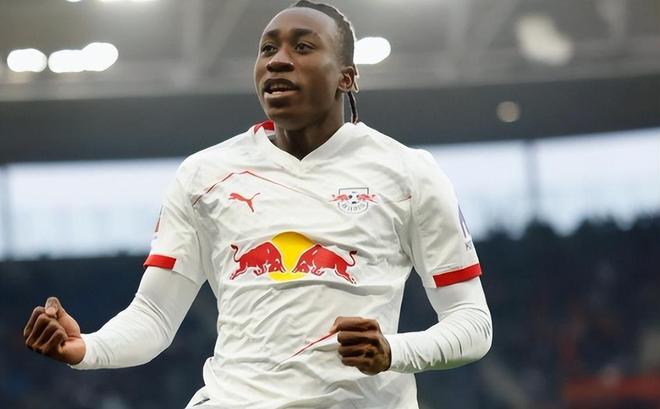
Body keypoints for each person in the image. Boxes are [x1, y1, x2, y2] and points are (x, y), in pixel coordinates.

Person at [23, 1, 492, 408]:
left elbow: (472, 323)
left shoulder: (408, 173)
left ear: (346, 77)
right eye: (268, 49)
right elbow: (155, 316)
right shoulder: (204, 175)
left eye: (302, 47)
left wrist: (393, 351)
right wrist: (87, 348)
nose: (278, 61)